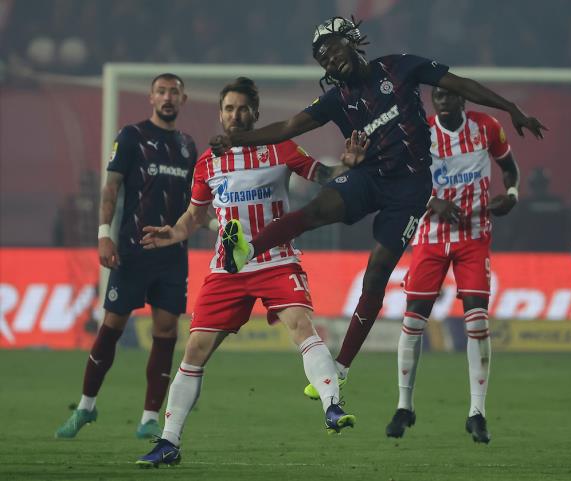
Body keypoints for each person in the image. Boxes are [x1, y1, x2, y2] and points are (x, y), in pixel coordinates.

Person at [211, 17, 546, 398]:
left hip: (410, 191)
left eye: (332, 51)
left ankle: (341, 368)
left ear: (352, 41)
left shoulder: (398, 67)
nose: (330, 61)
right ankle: (246, 250)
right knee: (316, 211)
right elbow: (290, 126)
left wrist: (510, 107)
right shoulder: (337, 98)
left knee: (376, 274)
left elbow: (461, 84)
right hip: (368, 176)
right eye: (322, 60)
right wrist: (239, 140)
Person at [136, 78, 360, 468]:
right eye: (229, 109)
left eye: (242, 109)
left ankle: (332, 406)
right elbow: (194, 217)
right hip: (229, 268)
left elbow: (322, 174)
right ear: (220, 113)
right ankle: (169, 441)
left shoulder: (280, 147)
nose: (235, 115)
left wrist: (348, 165)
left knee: (301, 325)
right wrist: (171, 234)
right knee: (195, 350)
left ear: (255, 113)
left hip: (276, 258)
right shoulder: (208, 162)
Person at [55, 73, 198, 439]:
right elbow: (111, 189)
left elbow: (194, 201)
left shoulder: (187, 146)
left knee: (166, 331)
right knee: (112, 326)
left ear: (183, 100)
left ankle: (149, 417)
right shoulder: (132, 136)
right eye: (161, 91)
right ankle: (86, 406)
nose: (168, 97)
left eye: (174, 92)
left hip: (172, 256)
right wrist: (104, 236)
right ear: (151, 97)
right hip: (132, 251)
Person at [384, 88, 520, 442]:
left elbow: (509, 168)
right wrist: (434, 202)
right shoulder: (422, 134)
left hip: (474, 235)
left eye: (449, 96)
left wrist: (512, 195)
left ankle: (477, 413)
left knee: (477, 321)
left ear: (462, 100)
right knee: (413, 321)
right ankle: (404, 406)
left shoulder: (486, 127)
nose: (442, 102)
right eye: (438, 97)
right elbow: (404, 183)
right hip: (430, 236)